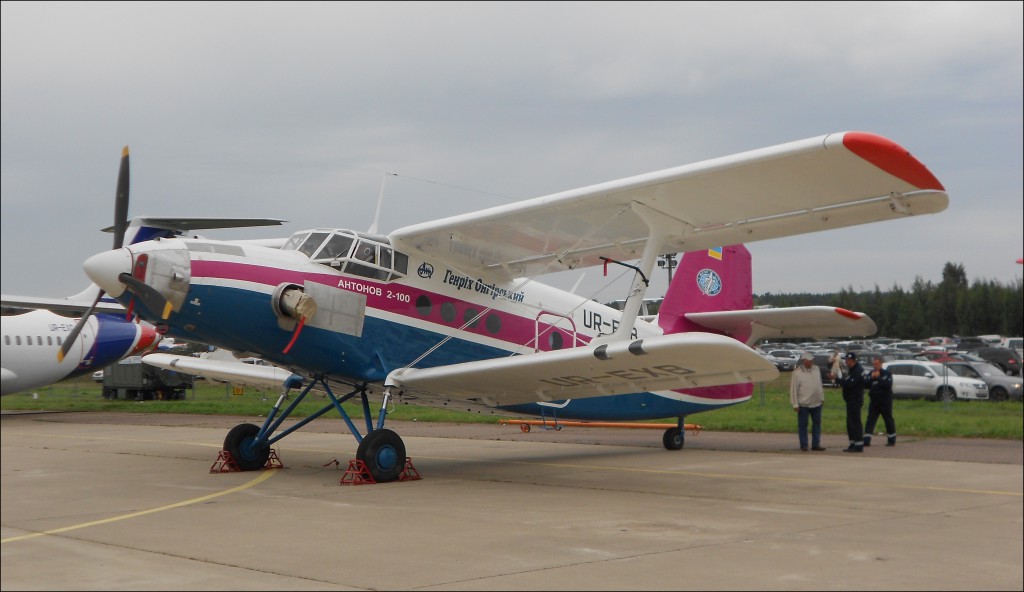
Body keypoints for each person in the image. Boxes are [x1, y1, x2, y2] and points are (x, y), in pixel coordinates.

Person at [789, 351, 826, 452]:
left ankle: (816, 444)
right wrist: (795, 404)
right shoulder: (797, 373)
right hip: (804, 404)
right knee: (803, 425)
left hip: (817, 403)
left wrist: (822, 397)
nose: (811, 363)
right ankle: (804, 444)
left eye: (812, 361)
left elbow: (819, 384)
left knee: (817, 424)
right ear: (804, 361)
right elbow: (793, 390)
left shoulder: (816, 369)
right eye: (809, 361)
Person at [831, 351, 866, 452]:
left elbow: (849, 384)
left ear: (852, 360)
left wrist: (836, 379)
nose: (846, 362)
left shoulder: (857, 370)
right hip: (851, 400)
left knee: (855, 422)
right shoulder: (853, 369)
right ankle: (853, 443)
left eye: (847, 360)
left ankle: (858, 445)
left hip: (855, 400)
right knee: (850, 422)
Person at [864, 357, 896, 446]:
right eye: (874, 364)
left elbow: (887, 385)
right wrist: (871, 378)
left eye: (876, 364)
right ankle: (866, 440)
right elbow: (865, 384)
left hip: (885, 401)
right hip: (874, 401)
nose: (875, 366)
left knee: (888, 419)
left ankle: (891, 439)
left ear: (881, 364)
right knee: (870, 420)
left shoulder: (887, 373)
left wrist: (878, 378)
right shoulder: (871, 373)